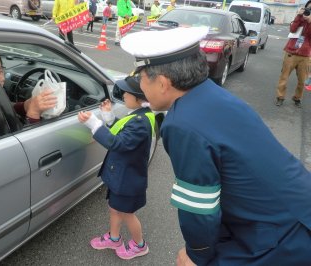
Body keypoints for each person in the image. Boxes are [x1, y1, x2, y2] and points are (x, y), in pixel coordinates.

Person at [120, 26, 311, 265]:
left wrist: (197, 255)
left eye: (141, 78)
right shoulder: (212, 94)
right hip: (295, 208)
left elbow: (199, 207)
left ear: (162, 83)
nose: (141, 87)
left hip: (280, 237)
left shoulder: (183, 124)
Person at [77, 75, 155, 260]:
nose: (123, 96)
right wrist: (108, 117)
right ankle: (114, 238)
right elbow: (123, 134)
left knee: (127, 213)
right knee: (114, 207)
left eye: (126, 93)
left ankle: (139, 245)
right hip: (123, 177)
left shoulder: (141, 123)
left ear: (138, 97)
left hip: (128, 180)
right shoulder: (139, 115)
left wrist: (94, 123)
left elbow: (117, 143)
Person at [0, 46, 57, 123]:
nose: (3, 78)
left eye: (1, 70)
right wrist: (34, 112)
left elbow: (2, 109)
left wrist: (25, 106)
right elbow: (23, 135)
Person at [275, 0, 311, 107]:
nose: (308, 11)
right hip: (291, 51)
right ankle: (280, 97)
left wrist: (309, 21)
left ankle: (297, 98)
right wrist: (298, 16)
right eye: (308, 8)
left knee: (302, 80)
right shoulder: (300, 17)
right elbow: (292, 29)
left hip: (305, 55)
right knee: (284, 77)